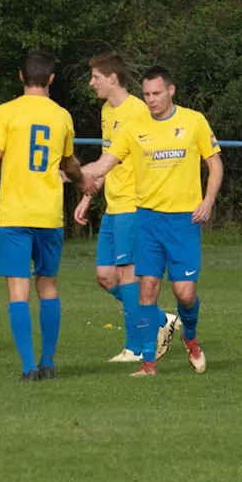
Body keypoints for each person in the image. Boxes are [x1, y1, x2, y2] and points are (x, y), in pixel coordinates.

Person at [80, 65, 224, 377]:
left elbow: (215, 164)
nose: (151, 100)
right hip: (147, 220)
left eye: (157, 93)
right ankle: (148, 362)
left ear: (171, 91)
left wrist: (208, 199)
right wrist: (72, 173)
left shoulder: (193, 121)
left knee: (185, 293)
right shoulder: (133, 127)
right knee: (147, 287)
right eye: (146, 94)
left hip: (184, 221)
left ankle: (190, 337)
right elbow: (105, 163)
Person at [0, 50, 84, 381]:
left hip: (15, 214)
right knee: (48, 285)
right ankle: (48, 364)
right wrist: (82, 180)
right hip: (48, 214)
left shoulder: (6, 113)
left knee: (18, 289)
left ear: (21, 77)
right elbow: (70, 162)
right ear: (50, 79)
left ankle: (28, 367)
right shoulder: (62, 116)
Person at [73, 52, 180, 363]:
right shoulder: (108, 111)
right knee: (105, 276)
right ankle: (160, 319)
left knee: (126, 277)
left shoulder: (137, 111)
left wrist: (70, 174)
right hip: (113, 205)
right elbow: (111, 159)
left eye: (95, 77)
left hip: (134, 206)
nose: (91, 83)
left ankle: (135, 348)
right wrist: (87, 194)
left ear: (112, 78)